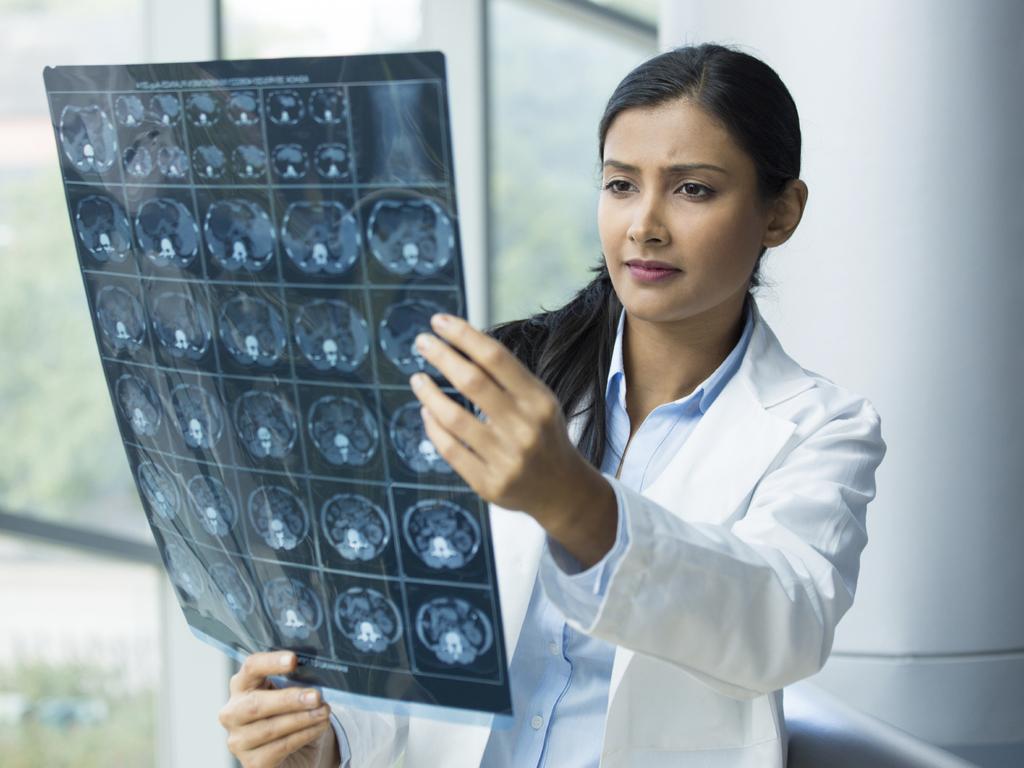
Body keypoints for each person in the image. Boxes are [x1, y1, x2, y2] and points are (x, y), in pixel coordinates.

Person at [218, 42, 887, 768]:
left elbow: (779, 625)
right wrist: (327, 741)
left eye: (693, 189)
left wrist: (573, 501)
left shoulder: (822, 428)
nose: (644, 225)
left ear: (780, 213)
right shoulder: (506, 379)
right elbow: (417, 659)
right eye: (621, 184)